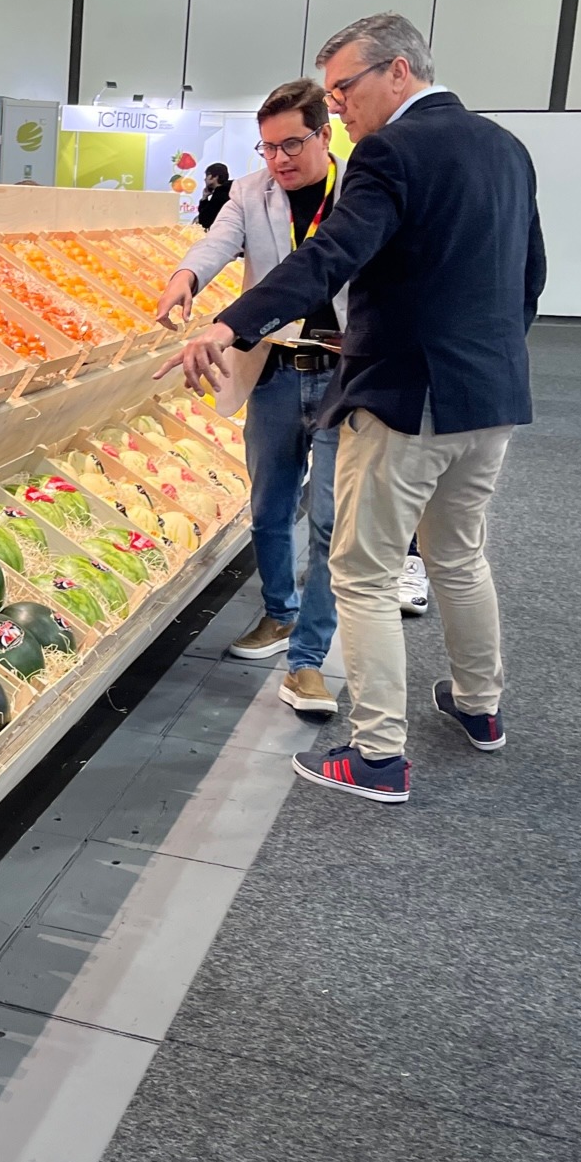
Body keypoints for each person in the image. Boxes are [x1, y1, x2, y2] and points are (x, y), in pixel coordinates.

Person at [166, 12, 545, 804]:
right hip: (494, 397)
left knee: (364, 573)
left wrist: (230, 325)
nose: (338, 105)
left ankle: (378, 754)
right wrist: (486, 357)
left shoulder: (389, 151)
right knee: (459, 555)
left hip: (408, 398)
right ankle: (481, 707)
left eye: (345, 88)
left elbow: (331, 256)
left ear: (398, 71)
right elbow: (529, 276)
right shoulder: (505, 147)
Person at [158, 79, 345, 716]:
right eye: (267, 148)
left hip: (345, 374)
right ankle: (280, 614)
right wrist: (187, 275)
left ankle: (310, 656)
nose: (279, 160)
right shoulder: (250, 190)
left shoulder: (360, 194)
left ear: (325, 134)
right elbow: (218, 241)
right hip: (273, 368)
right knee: (267, 503)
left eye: (292, 143)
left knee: (327, 519)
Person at [195, 164, 231, 229]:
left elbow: (204, 221)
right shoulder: (230, 190)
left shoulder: (220, 194)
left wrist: (204, 198)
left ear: (214, 177)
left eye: (206, 176)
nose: (205, 179)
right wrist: (205, 198)